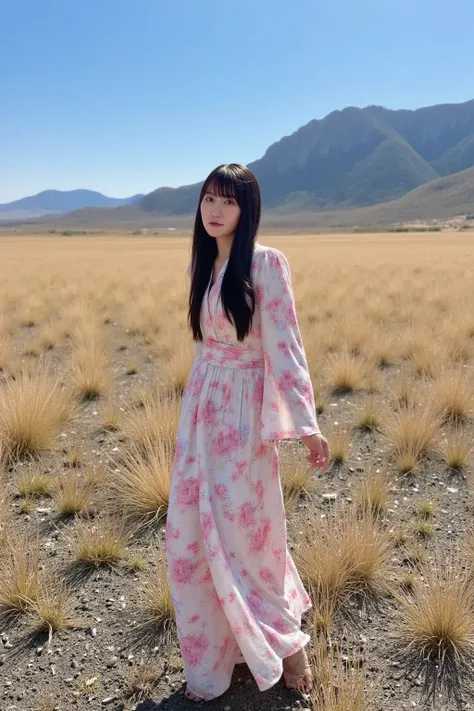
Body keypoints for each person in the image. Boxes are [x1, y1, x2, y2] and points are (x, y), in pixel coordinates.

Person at [165, 163, 330, 703]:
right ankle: (215, 661)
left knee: (250, 539)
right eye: (208, 199)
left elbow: (285, 346)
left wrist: (305, 427)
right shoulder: (202, 262)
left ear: (247, 208)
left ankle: (290, 648)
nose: (214, 210)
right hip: (202, 410)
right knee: (190, 536)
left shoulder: (265, 262)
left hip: (243, 420)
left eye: (227, 202)